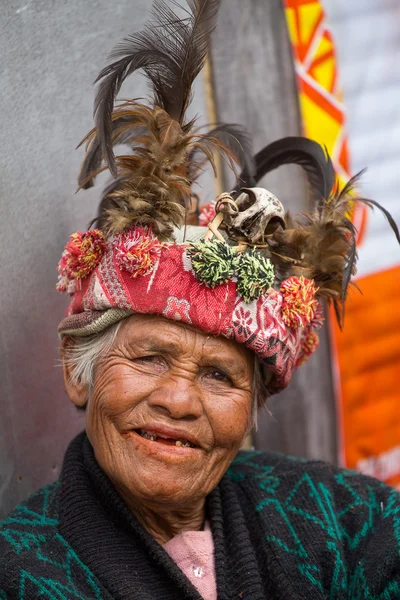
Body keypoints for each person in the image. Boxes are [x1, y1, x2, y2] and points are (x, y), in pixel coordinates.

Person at [1, 1, 400, 598]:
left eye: (219, 375)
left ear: (253, 407)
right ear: (76, 372)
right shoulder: (20, 571)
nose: (180, 400)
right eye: (149, 358)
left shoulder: (341, 517)